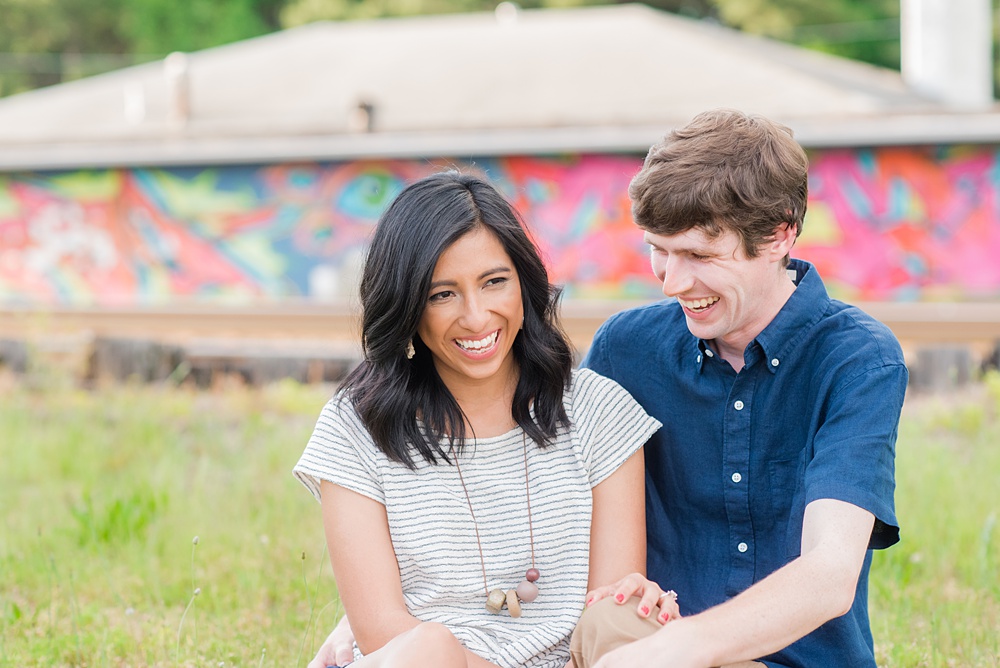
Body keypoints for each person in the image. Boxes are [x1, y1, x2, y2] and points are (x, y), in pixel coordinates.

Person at [570, 109, 908, 668]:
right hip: (637, 648)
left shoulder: (858, 360)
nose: (673, 282)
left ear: (779, 234)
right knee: (610, 621)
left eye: (700, 255)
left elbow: (829, 575)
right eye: (660, 249)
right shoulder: (625, 350)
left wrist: (679, 649)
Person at [294, 171, 668, 668]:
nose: (476, 317)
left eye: (494, 282)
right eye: (442, 294)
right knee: (429, 649)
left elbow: (609, 617)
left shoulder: (601, 413)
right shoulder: (355, 428)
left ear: (524, 284)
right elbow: (383, 631)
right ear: (406, 306)